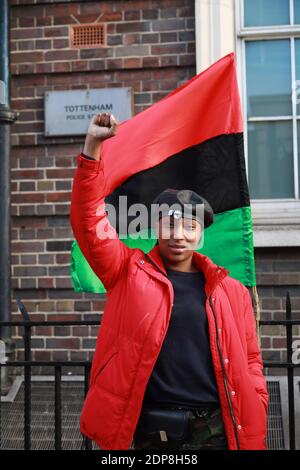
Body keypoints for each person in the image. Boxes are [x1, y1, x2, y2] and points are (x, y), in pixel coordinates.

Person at [70, 112, 269, 451]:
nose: (179, 234)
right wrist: (92, 149)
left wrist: (258, 399)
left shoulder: (230, 290)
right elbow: (89, 222)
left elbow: (251, 360)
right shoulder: (128, 271)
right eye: (169, 224)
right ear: (156, 228)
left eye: (190, 227)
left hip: (216, 430)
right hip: (153, 429)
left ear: (200, 235)